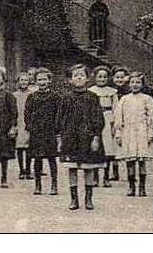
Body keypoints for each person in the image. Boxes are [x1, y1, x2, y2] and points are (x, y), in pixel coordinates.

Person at [60, 64, 107, 211]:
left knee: (88, 168)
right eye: (76, 75)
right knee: (72, 168)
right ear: (70, 80)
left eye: (82, 75)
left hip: (88, 137)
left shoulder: (92, 97)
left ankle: (88, 199)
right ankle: (74, 199)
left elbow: (98, 118)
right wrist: (60, 138)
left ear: (87, 78)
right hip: (70, 138)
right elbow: (60, 119)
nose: (79, 77)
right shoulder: (66, 98)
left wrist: (96, 137)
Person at [114, 72, 153, 197]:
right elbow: (119, 117)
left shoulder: (147, 99)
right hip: (128, 132)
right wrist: (119, 132)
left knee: (142, 160)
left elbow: (152, 117)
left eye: (138, 82)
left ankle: (142, 187)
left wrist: (151, 132)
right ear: (129, 84)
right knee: (130, 160)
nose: (135, 85)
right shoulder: (124, 99)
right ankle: (131, 187)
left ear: (142, 84)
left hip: (142, 132)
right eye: (132, 82)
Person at [25, 67, 61, 195]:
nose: (42, 82)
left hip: (50, 131)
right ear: (35, 81)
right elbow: (27, 114)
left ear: (49, 80)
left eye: (44, 79)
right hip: (37, 132)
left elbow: (58, 114)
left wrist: (57, 130)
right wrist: (30, 127)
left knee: (52, 159)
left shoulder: (55, 97)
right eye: (39, 80)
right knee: (37, 159)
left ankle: (54, 184)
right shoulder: (32, 97)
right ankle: (38, 185)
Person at [88, 65, 120, 187]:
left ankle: (106, 177)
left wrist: (115, 125)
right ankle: (95, 177)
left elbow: (116, 110)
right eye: (99, 76)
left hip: (108, 119)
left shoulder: (112, 92)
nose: (102, 79)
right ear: (95, 77)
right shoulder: (91, 91)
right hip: (95, 119)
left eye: (105, 77)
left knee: (108, 149)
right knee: (95, 148)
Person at [12, 72, 33, 179]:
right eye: (21, 80)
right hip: (19, 121)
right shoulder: (14, 95)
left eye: (26, 80)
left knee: (29, 147)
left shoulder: (32, 94)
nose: (24, 82)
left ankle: (29, 170)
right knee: (19, 147)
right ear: (18, 82)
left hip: (29, 122)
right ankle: (21, 170)